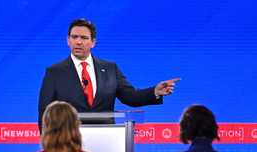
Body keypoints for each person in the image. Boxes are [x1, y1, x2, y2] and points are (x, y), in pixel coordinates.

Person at [38, 18, 180, 130]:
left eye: (84, 38)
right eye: (74, 37)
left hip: (106, 141)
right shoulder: (54, 72)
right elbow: (44, 113)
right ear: (68, 40)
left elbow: (130, 96)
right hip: (68, 143)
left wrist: (154, 91)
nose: (79, 42)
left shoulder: (110, 69)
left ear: (93, 42)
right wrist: (48, 147)